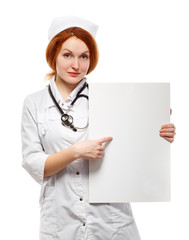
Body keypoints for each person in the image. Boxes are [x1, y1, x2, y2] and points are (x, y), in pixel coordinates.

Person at [21, 16, 176, 240]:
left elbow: (136, 150)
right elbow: (33, 162)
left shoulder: (114, 100)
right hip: (60, 222)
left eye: (84, 57)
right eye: (67, 55)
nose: (76, 65)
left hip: (111, 221)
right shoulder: (34, 103)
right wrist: (76, 151)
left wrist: (158, 134)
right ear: (53, 54)